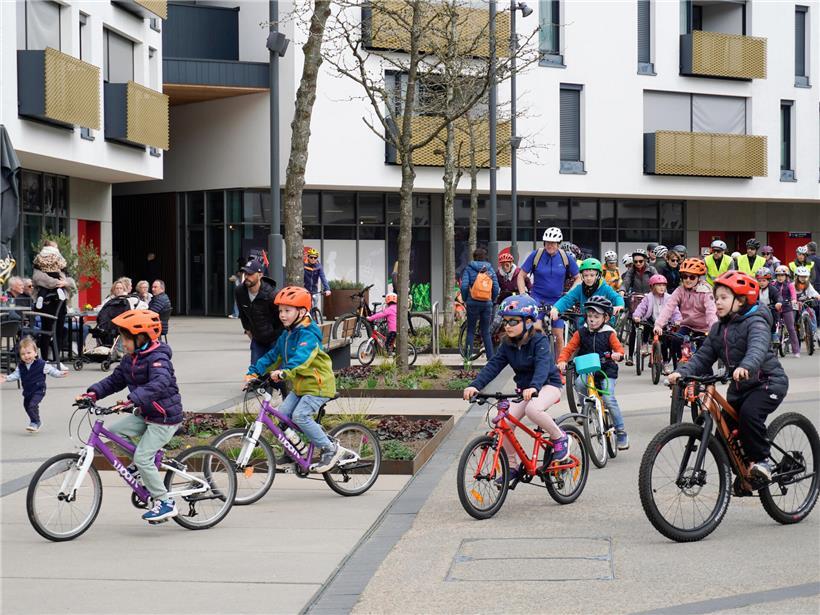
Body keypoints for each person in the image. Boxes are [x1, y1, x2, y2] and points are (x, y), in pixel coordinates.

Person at [669, 271, 788, 483]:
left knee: (750, 416)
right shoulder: (717, 328)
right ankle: (744, 478)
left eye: (724, 297)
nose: (718, 302)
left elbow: (757, 348)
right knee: (726, 434)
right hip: (740, 387)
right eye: (716, 298)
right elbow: (703, 358)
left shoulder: (756, 322)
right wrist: (682, 372)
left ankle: (762, 461)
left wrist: (746, 366)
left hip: (767, 382)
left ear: (741, 300)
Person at [77, 309, 183, 522]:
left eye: (125, 339)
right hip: (145, 413)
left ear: (141, 337)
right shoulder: (131, 359)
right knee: (116, 432)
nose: (122, 343)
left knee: (143, 457)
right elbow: (115, 380)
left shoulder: (158, 358)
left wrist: (133, 398)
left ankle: (165, 502)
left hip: (164, 417)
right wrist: (93, 393)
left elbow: (159, 383)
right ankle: (141, 466)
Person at [462, 295, 570, 473]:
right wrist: (475, 386)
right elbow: (493, 366)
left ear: (528, 322)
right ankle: (513, 466)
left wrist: (535, 387)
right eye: (505, 321)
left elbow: (543, 366)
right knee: (503, 422)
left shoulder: (539, 341)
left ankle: (560, 438)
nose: (507, 326)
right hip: (525, 391)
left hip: (548, 385)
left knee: (533, 410)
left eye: (513, 321)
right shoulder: (507, 344)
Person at [245, 286, 342, 473]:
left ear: (302, 312)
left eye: (287, 311)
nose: (282, 315)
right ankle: (293, 454)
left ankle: (330, 449)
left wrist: (284, 372)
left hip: (318, 386)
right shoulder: (287, 335)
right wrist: (253, 372)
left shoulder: (308, 334)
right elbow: (272, 356)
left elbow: (302, 359)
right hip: (300, 387)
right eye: (280, 311)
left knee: (300, 416)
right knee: (283, 414)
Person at [557, 295, 629, 450]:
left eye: (596, 316)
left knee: (609, 399)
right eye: (589, 316)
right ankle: (586, 406)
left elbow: (619, 349)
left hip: (606, 370)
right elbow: (569, 348)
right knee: (579, 384)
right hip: (587, 369)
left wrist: (618, 355)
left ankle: (621, 432)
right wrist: (562, 360)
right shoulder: (581, 333)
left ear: (606, 318)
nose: (592, 320)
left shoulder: (609, 333)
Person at [518, 227, 580, 357]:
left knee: (558, 335)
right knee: (536, 329)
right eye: (547, 242)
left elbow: (578, 278)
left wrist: (570, 293)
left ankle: (559, 365)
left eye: (553, 243)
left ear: (558, 244)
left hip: (557, 300)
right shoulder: (536, 255)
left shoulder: (565, 257)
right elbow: (521, 275)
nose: (550, 245)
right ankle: (538, 355)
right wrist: (523, 294)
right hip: (537, 298)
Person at [654, 258, 718, 360]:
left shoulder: (706, 291)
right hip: (687, 325)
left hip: (703, 328)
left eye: (692, 277)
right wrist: (658, 325)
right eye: (685, 277)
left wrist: (713, 330)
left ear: (698, 278)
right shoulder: (680, 290)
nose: (688, 280)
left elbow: (711, 312)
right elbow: (669, 307)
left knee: (703, 357)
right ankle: (678, 366)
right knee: (675, 341)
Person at [0, 336, 67, 431]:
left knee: (32, 405)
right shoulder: (21, 366)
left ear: (35, 353)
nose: (26, 356)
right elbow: (15, 375)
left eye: (29, 353)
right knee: (27, 406)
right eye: (23, 354)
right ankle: (36, 420)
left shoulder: (42, 364)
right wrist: (6, 378)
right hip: (27, 391)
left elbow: (52, 371)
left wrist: (59, 374)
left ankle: (35, 423)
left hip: (39, 389)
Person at [31, 245, 75, 367]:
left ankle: (57, 360)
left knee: (60, 330)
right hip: (47, 303)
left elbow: (71, 281)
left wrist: (65, 282)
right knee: (46, 330)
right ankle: (44, 359)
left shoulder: (60, 267)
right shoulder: (39, 267)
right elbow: (40, 279)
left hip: (60, 304)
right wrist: (59, 283)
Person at [235, 258, 284, 365]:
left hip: (275, 340)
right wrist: (247, 329)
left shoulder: (272, 294)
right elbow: (242, 314)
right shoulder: (240, 291)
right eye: (245, 273)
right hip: (257, 339)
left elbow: (281, 320)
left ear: (260, 275)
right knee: (256, 373)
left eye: (250, 274)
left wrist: (277, 338)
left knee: (275, 376)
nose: (247, 277)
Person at [550, 258, 624, 327]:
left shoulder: (605, 288)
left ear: (598, 275)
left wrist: (619, 306)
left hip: (604, 323)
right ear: (582, 276)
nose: (588, 278)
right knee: (576, 338)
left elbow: (616, 297)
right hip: (586, 323)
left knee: (610, 338)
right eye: (586, 275)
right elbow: (567, 299)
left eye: (592, 275)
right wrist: (556, 308)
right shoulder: (580, 289)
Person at [631, 273, 681, 373]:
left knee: (664, 343)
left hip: (664, 323)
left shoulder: (669, 297)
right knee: (646, 324)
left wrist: (677, 320)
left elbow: (675, 310)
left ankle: (665, 363)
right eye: (658, 285)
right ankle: (644, 344)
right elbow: (641, 308)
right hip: (651, 321)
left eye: (663, 285)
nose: (662, 287)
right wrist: (637, 316)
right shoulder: (648, 297)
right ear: (652, 287)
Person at [461, 247, 500, 363]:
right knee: (486, 331)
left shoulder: (469, 268)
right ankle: (491, 359)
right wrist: (491, 300)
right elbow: (496, 287)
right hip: (486, 304)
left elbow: (464, 286)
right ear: (485, 257)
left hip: (472, 302)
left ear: (474, 257)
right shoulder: (490, 269)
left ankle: (468, 359)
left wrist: (465, 299)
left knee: (471, 330)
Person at [772, 265, 801, 357]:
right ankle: (772, 349)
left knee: (791, 329)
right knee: (773, 328)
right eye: (778, 275)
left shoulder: (790, 285)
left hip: (787, 308)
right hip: (776, 308)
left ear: (786, 276)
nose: (780, 277)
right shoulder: (773, 284)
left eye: (782, 275)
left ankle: (796, 351)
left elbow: (793, 295)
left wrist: (793, 300)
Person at [755, 268, 782, 344]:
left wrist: (778, 303)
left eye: (764, 280)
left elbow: (778, 297)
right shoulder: (756, 290)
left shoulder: (772, 289)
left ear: (769, 281)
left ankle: (774, 335)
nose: (761, 283)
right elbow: (751, 298)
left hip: (770, 308)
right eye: (759, 281)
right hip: (758, 309)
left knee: (773, 319)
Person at [793, 266, 820, 343]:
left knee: (812, 313)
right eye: (801, 276)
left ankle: (813, 332)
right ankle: (791, 336)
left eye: (804, 276)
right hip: (795, 306)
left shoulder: (808, 284)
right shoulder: (792, 285)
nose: (803, 278)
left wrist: (817, 296)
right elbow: (789, 294)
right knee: (793, 319)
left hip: (805, 304)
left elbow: (813, 292)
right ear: (796, 276)